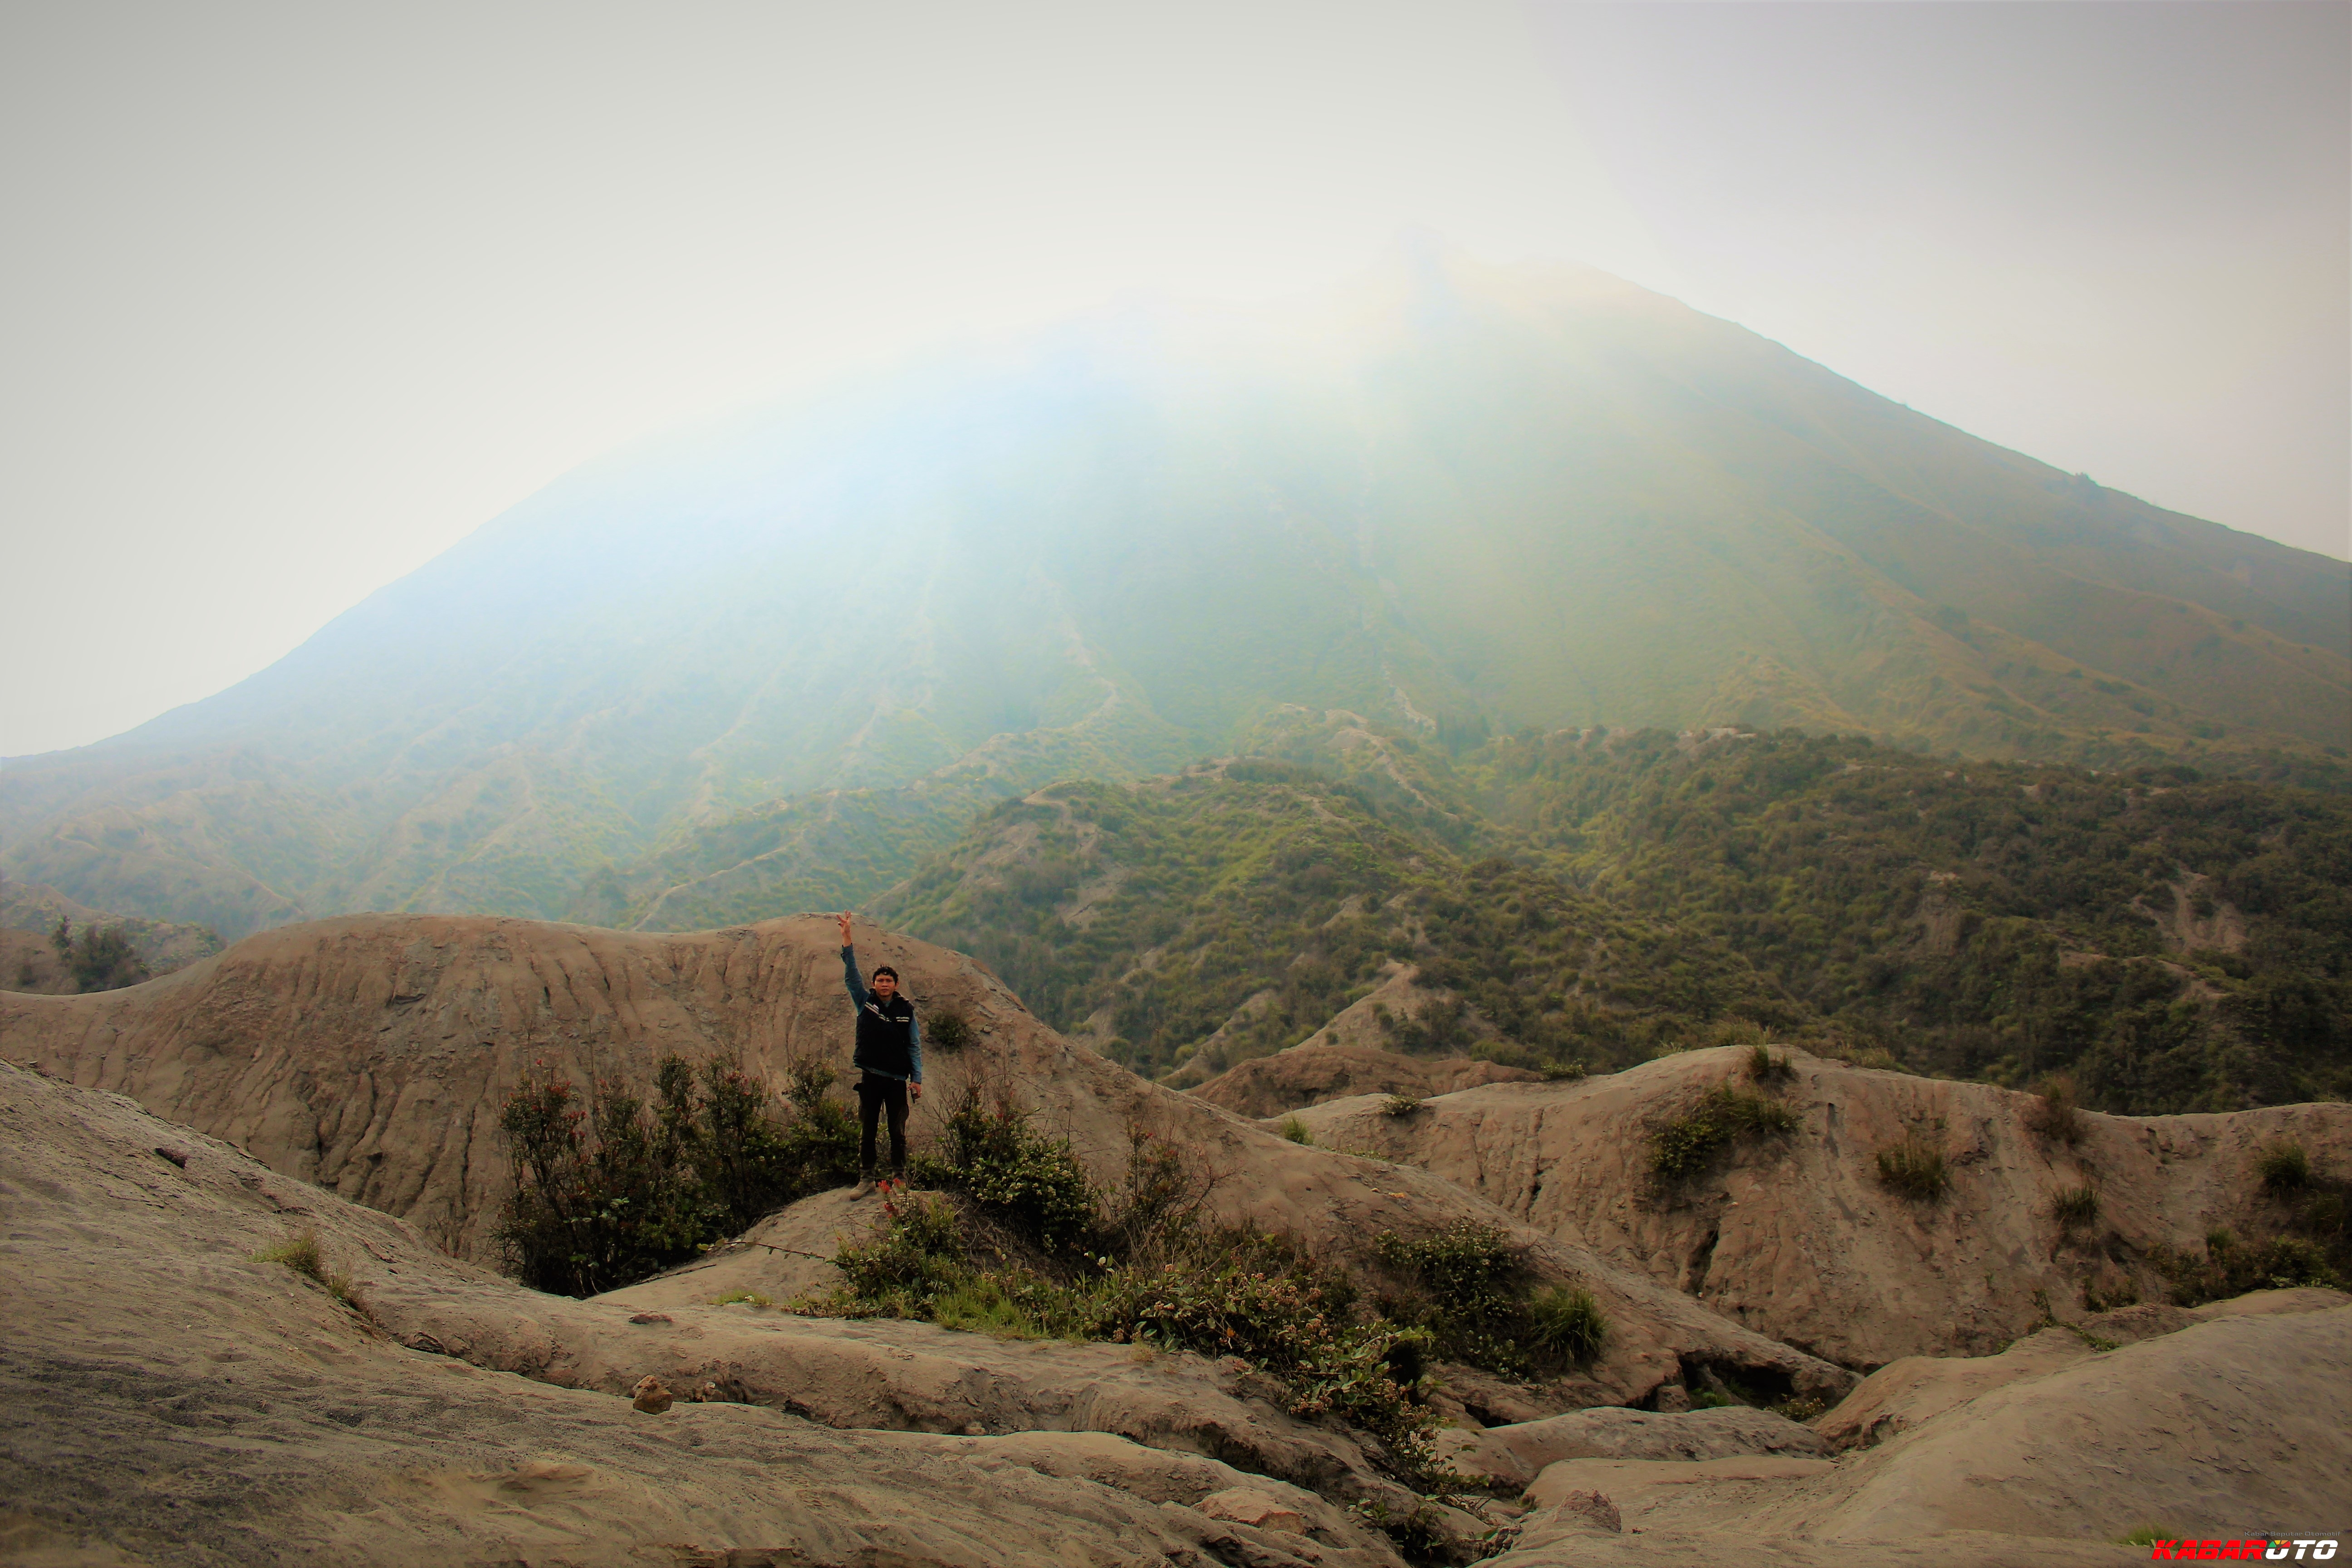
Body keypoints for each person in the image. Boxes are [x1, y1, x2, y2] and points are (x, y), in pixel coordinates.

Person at [838, 910, 921, 1196]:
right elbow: (852, 977)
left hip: (897, 1079)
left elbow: (914, 1045)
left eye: (889, 981)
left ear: (896, 985)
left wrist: (917, 1079)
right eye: (880, 981)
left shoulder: (906, 1010)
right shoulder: (865, 1003)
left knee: (897, 1132)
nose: (884, 984)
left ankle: (899, 1179)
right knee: (868, 1130)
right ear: (874, 984)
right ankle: (866, 1180)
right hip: (871, 1078)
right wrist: (847, 939)